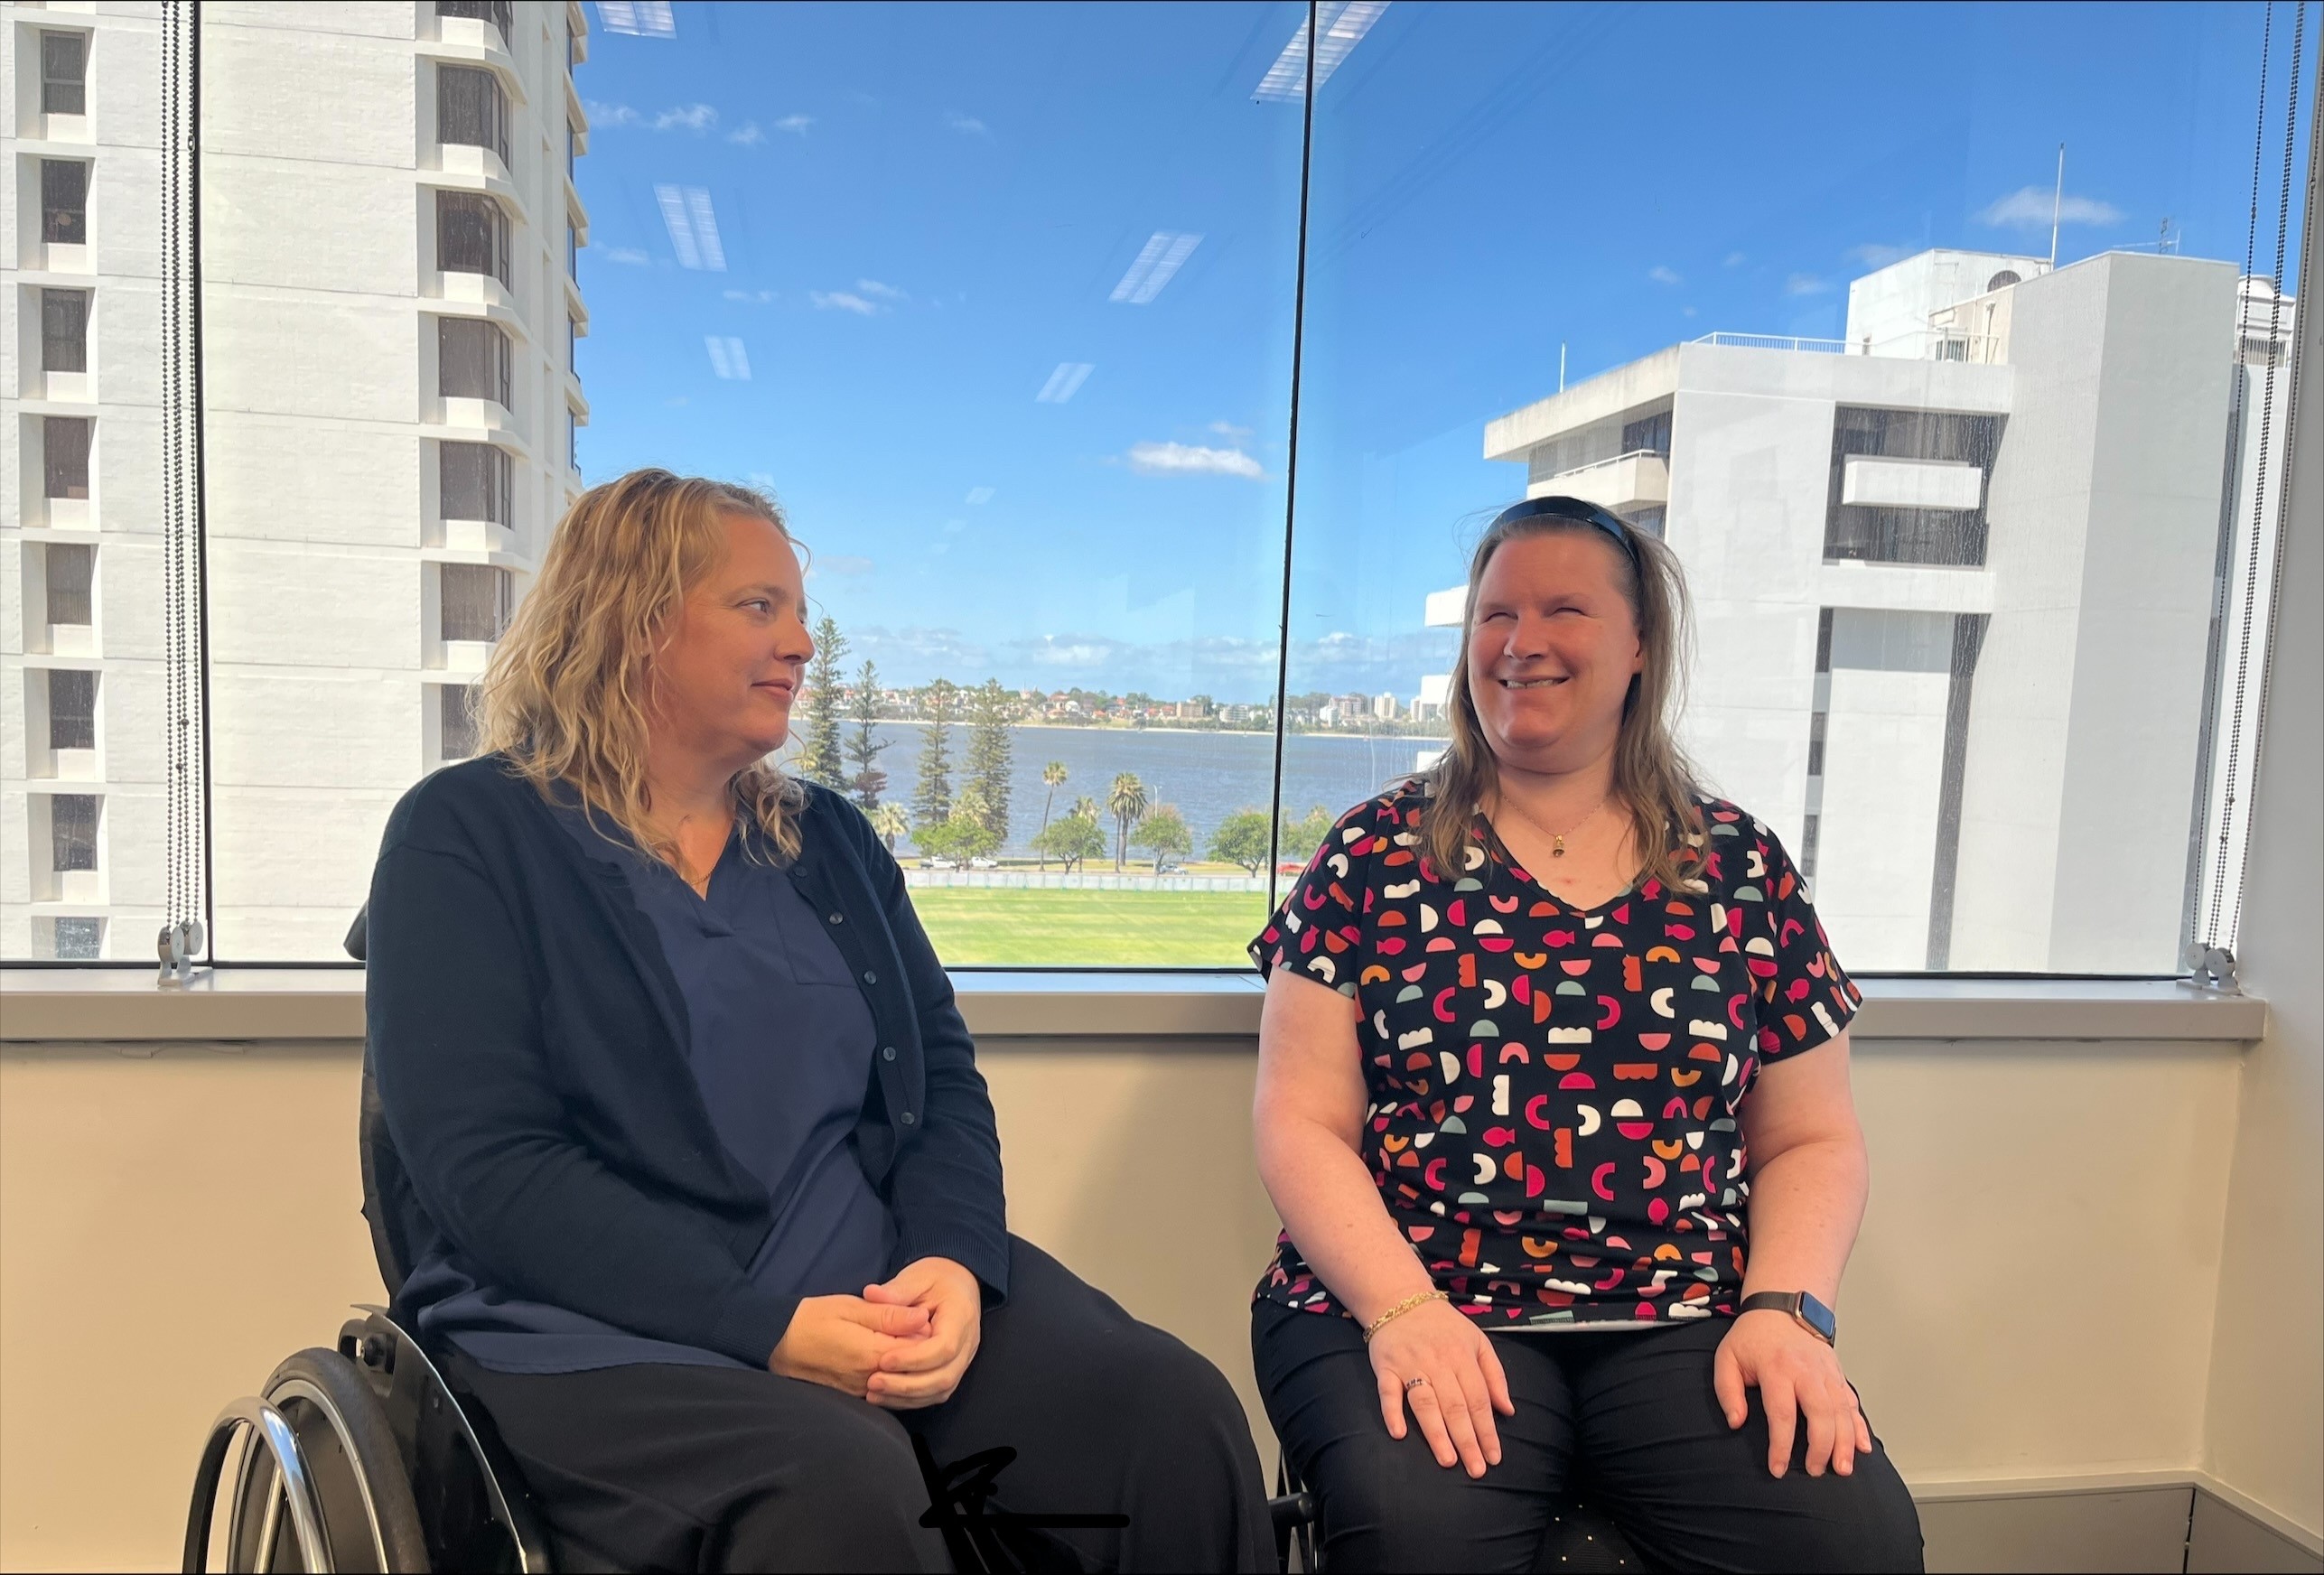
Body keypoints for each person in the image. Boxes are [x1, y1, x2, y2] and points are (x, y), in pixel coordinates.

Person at [365, 470, 1274, 1572]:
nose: (801, 642)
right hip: (594, 1323)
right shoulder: (464, 836)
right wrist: (765, 1328)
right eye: (759, 607)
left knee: (1166, 1415)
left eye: (799, 613)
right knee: (839, 1488)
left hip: (872, 1279)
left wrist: (949, 1256)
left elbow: (938, 1079)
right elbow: (490, 1167)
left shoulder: (827, 842)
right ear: (631, 620)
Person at [1247, 496, 1925, 1572]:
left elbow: (1807, 1140)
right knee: (1417, 1538)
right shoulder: (1373, 853)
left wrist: (1787, 1311)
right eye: (1494, 614)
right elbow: (1299, 1122)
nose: (1520, 642)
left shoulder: (1738, 867)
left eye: (1563, 608)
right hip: (1410, 1288)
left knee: (1851, 1540)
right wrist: (1403, 1310)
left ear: (1639, 644)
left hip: (1681, 1314)